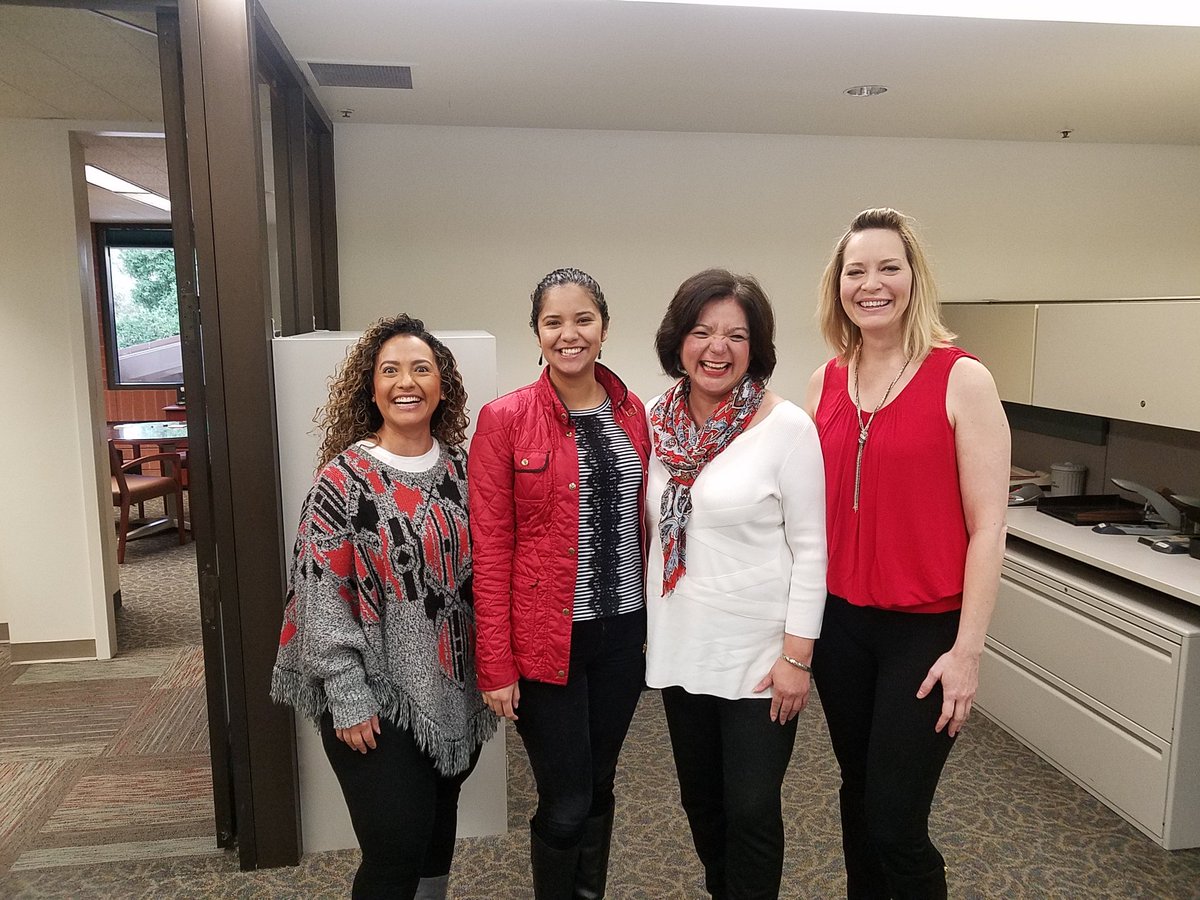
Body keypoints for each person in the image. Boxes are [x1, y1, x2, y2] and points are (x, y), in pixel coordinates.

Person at [804, 208, 1009, 899]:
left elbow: (988, 527)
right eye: (856, 271)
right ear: (839, 286)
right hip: (841, 629)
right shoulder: (826, 381)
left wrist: (969, 652)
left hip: (925, 633)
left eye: (889, 267)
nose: (872, 284)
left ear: (914, 277)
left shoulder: (962, 378)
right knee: (858, 796)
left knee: (896, 820)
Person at [270, 314, 496, 900]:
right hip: (372, 694)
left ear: (442, 386)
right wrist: (346, 695)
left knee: (434, 836)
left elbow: (488, 575)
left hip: (450, 692)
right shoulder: (342, 482)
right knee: (394, 851)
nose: (407, 382)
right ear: (370, 388)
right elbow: (319, 598)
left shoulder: (463, 471)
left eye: (422, 369)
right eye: (390, 370)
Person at [645, 268, 827, 900]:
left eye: (736, 335)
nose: (716, 348)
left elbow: (812, 551)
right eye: (702, 331)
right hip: (682, 647)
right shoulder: (655, 424)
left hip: (759, 657)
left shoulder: (787, 429)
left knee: (751, 810)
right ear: (679, 341)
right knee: (702, 805)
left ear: (756, 349)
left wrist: (796, 659)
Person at [469, 268, 650, 900]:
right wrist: (495, 663)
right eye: (554, 322)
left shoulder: (635, 413)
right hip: (549, 643)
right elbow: (489, 550)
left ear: (604, 327)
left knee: (601, 783)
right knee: (567, 799)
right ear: (537, 332)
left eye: (583, 320)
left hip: (624, 638)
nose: (569, 335)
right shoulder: (505, 419)